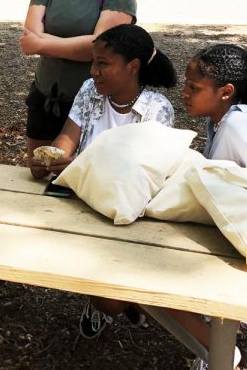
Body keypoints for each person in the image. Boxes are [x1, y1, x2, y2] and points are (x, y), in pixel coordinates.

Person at [27, 24, 176, 338]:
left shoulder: (156, 111)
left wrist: (79, 166)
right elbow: (66, 139)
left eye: (102, 64)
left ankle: (119, 300)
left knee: (110, 301)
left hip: (124, 214)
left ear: (133, 67)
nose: (93, 71)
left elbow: (139, 180)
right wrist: (47, 157)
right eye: (93, 62)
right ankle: (120, 298)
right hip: (80, 202)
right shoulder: (89, 91)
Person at [179, 43, 247, 370]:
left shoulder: (240, 125)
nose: (185, 93)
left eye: (194, 88)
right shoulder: (221, 119)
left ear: (226, 92)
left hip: (246, 243)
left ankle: (218, 352)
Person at [20, 0, 137, 171]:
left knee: (85, 179)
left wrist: (43, 43)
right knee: (38, 174)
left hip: (96, 106)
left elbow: (103, 47)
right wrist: (71, 44)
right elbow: (29, 38)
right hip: (45, 99)